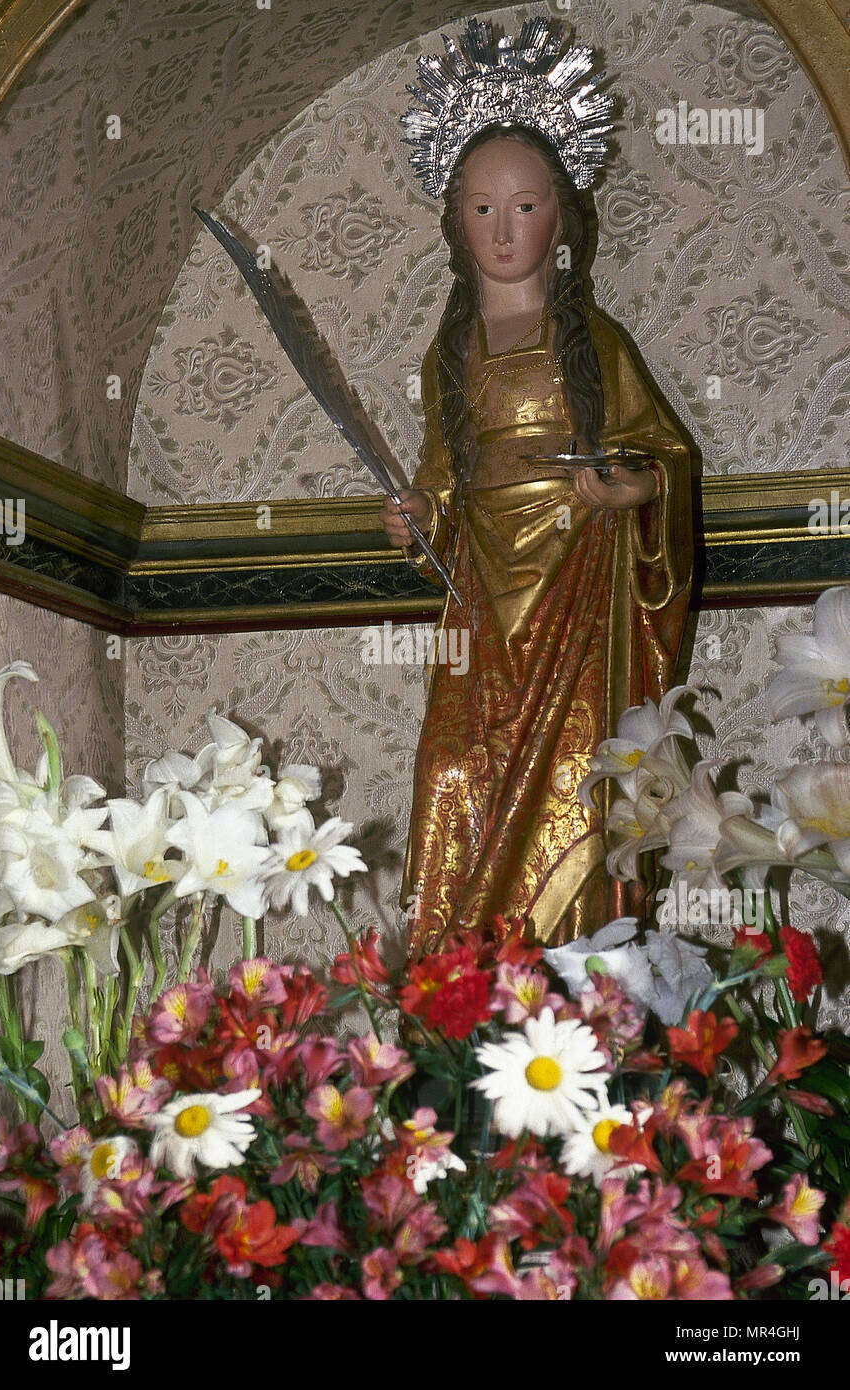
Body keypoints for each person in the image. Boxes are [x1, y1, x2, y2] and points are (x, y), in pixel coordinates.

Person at [383, 23, 694, 958]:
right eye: (482, 209)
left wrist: (620, 495)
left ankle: (579, 974)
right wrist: (414, 517)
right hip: (481, 596)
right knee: (451, 775)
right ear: (454, 220)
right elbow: (444, 476)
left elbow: (663, 465)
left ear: (560, 218)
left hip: (578, 591)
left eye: (524, 207)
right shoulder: (450, 352)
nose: (503, 230)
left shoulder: (590, 342)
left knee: (577, 786)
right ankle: (463, 979)